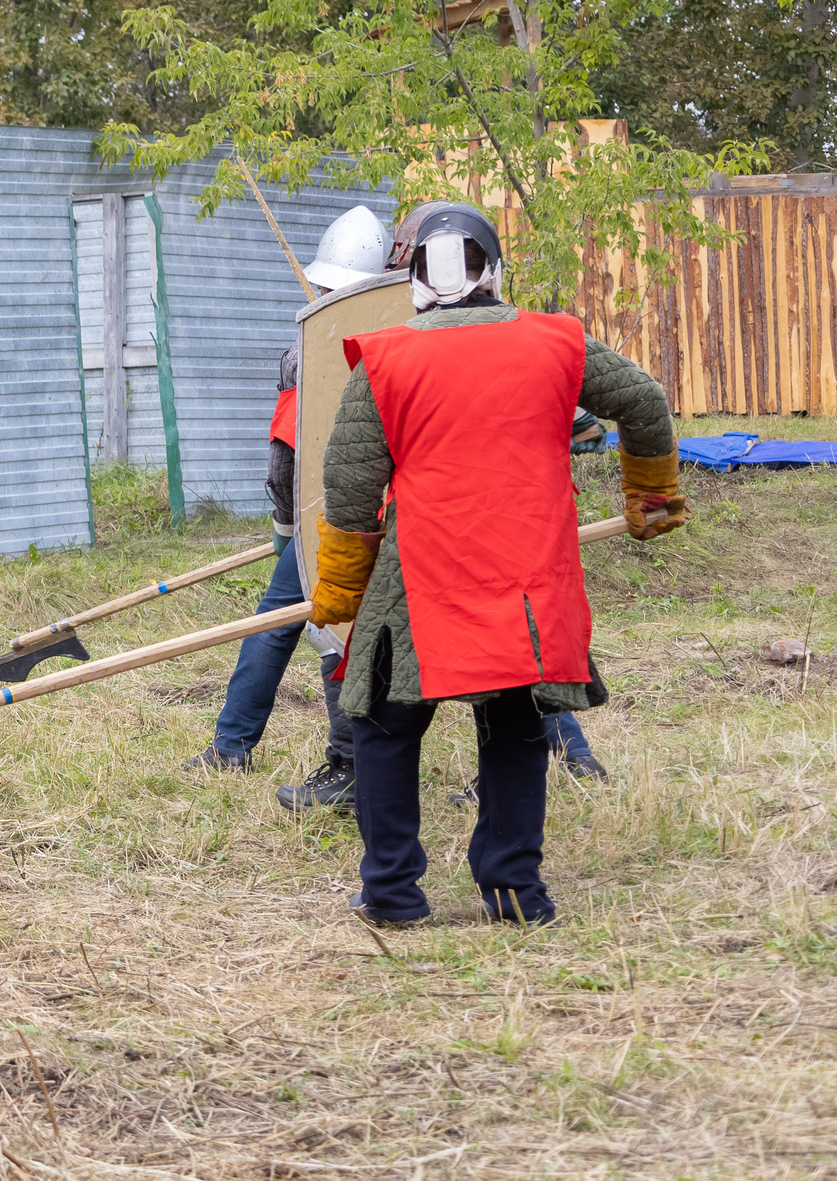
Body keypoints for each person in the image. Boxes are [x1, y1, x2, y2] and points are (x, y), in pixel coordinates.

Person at [310, 202, 681, 927]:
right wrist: (654, 495)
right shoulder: (557, 341)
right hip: (524, 581)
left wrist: (340, 591)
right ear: (493, 270)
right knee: (514, 725)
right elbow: (644, 400)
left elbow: (349, 487)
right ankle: (513, 890)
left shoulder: (385, 358)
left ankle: (391, 893)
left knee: (385, 727)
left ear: (414, 275)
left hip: (418, 580)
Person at [183, 207, 387, 802]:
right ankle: (568, 751)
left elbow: (286, 462)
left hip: (329, 518)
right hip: (398, 512)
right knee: (495, 624)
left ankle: (323, 763)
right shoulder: (412, 330)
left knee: (319, 630)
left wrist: (283, 525)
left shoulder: (308, 353)